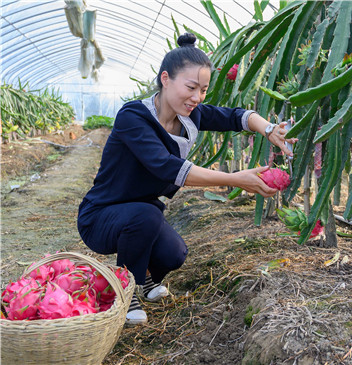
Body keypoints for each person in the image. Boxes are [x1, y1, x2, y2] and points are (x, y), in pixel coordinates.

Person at [77, 33, 297, 325]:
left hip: (143, 215)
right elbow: (169, 167)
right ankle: (124, 292)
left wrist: (269, 129)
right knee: (145, 216)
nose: (197, 98)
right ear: (165, 79)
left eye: (203, 90)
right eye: (191, 87)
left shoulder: (190, 116)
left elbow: (236, 117)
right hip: (100, 216)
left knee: (174, 255)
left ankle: (143, 278)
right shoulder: (133, 116)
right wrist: (235, 179)